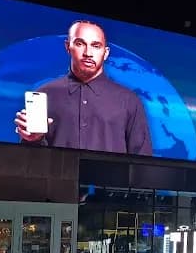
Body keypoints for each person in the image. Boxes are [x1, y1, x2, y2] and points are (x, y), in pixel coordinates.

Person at [14, 20, 152, 155]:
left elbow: (142, 159)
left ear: (106, 53)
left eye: (96, 46)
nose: (88, 53)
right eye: (80, 44)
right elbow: (31, 160)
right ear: (68, 46)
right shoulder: (45, 94)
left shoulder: (129, 100)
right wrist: (33, 140)